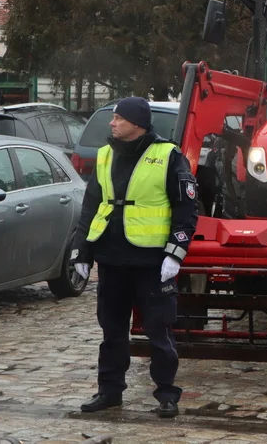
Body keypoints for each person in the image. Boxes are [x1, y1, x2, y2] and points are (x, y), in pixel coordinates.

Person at [70, 96, 198, 418]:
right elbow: (90, 207)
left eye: (118, 118)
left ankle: (167, 395)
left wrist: (176, 253)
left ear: (137, 124)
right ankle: (109, 391)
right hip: (112, 260)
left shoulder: (168, 155)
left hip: (152, 264)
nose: (111, 123)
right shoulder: (104, 156)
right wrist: (82, 250)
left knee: (159, 332)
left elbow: (186, 208)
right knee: (112, 331)